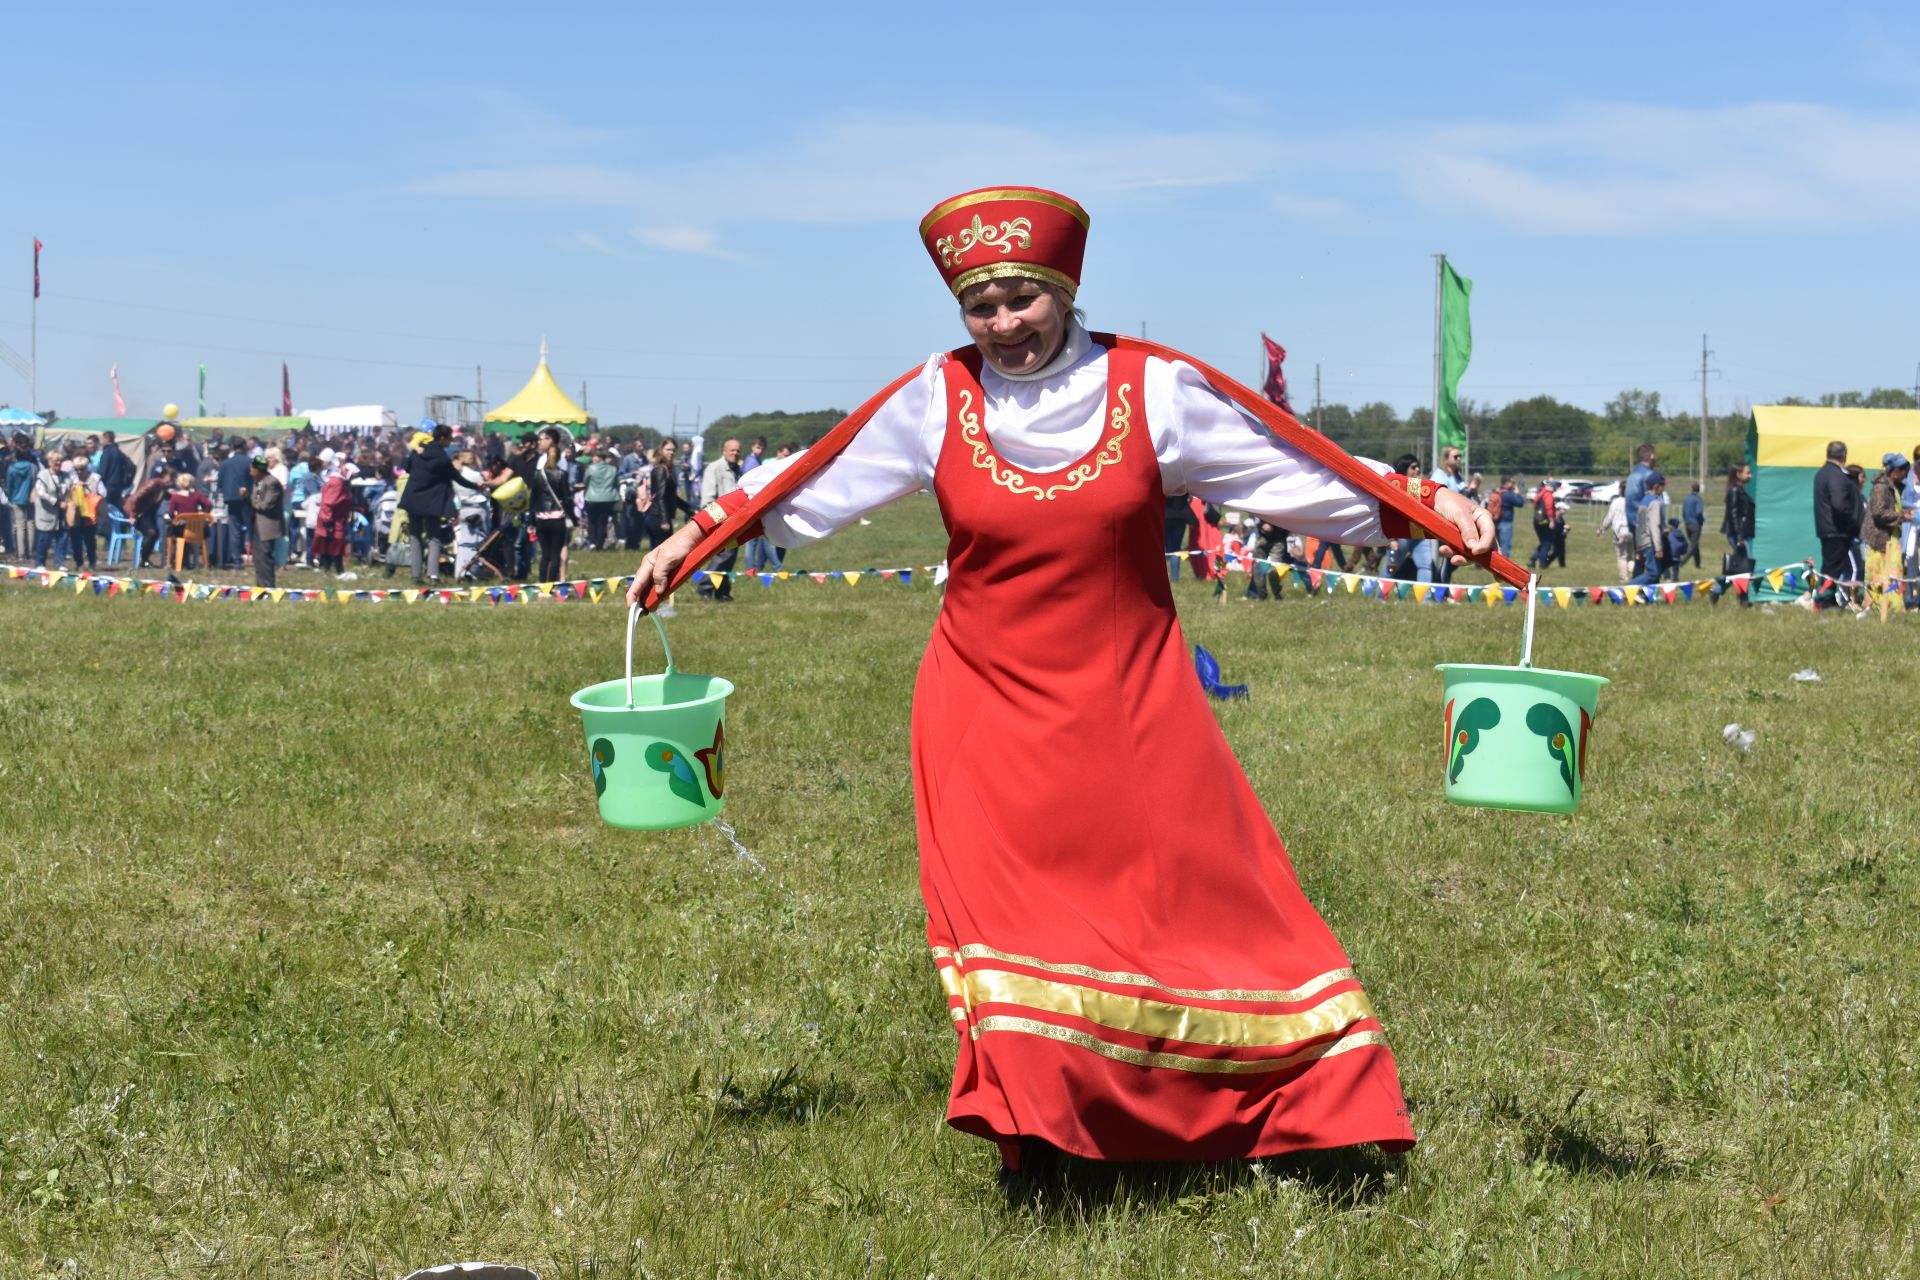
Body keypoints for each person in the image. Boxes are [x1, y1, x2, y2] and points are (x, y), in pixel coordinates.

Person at [626, 185, 1491, 1173]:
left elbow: (1284, 467)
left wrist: (1421, 504)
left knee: (1202, 903)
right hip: (981, 704)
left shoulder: (1152, 388)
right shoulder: (935, 396)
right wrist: (697, 533)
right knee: (1014, 915)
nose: (1001, 325)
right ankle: (1046, 1131)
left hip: (1133, 698)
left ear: (1064, 288)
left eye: (1020, 300)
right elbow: (818, 476)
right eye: (979, 307)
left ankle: (1296, 1107)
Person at [399, 423, 483, 586]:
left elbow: (407, 468)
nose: (450, 442)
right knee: (434, 538)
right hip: (432, 502)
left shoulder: (418, 451)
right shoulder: (442, 458)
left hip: (414, 498)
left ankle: (416, 575)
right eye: (450, 438)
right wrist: (476, 486)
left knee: (415, 537)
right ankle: (433, 575)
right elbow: (456, 478)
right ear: (442, 438)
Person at [1812, 441, 1860, 609]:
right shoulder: (1835, 475)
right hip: (1837, 528)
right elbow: (1839, 504)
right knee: (1833, 568)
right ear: (1844, 455)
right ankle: (1824, 600)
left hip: (1828, 527)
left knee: (1830, 566)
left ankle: (1827, 598)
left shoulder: (1823, 473)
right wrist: (1852, 520)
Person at [696, 438, 744, 601]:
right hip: (721, 519)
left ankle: (722, 591)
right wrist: (719, 521)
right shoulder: (714, 468)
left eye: (738, 450)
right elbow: (708, 499)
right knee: (723, 556)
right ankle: (705, 587)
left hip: (737, 520)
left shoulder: (737, 469)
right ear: (724, 451)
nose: (735, 453)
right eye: (732, 450)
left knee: (730, 556)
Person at [1864, 454, 1909, 621]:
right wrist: (1903, 517)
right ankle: (1878, 604)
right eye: (1904, 470)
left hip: (1890, 536)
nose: (1905, 474)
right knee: (1881, 574)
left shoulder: (1892, 486)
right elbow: (1878, 512)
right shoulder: (1881, 488)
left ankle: (1892, 606)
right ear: (1895, 470)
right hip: (1880, 538)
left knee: (1891, 573)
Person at [527, 428, 575, 584]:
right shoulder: (563, 474)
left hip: (541, 517)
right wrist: (573, 517)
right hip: (557, 517)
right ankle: (551, 585)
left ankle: (542, 585)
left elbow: (533, 499)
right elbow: (567, 499)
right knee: (555, 554)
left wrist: (531, 522)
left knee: (545, 555)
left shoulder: (537, 474)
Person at [1709, 463, 1755, 605]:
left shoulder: (1741, 490)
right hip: (1737, 534)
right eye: (1747, 472)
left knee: (1738, 568)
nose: (1750, 475)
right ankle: (1743, 599)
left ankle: (1717, 590)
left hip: (1741, 534)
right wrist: (1739, 537)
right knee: (1744, 568)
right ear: (1738, 474)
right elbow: (1733, 515)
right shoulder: (1735, 491)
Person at [311, 459, 355, 575]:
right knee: (334, 544)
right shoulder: (337, 483)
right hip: (333, 520)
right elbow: (328, 503)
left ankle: (328, 569)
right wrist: (328, 521)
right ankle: (337, 570)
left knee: (330, 544)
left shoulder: (337, 482)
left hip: (336, 519)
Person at [247, 456, 285, 588]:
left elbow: (266, 505)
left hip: (268, 525)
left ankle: (268, 586)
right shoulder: (258, 482)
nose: (250, 470)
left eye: (252, 468)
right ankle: (260, 585)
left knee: (265, 557)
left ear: (259, 469)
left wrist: (250, 501)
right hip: (257, 524)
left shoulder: (272, 483)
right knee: (258, 557)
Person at [216, 441, 254, 569]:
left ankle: (237, 560)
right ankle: (255, 556)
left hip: (231, 498)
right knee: (251, 528)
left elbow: (220, 482)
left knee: (235, 530)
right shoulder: (249, 461)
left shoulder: (226, 463)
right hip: (247, 498)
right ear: (244, 447)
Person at [65, 457, 107, 570]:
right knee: (75, 539)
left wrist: (92, 495)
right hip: (76, 513)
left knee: (90, 539)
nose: (79, 472)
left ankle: (92, 562)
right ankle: (79, 562)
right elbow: (65, 492)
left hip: (90, 514)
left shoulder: (95, 478)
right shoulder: (71, 478)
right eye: (76, 469)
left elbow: (103, 493)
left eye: (81, 469)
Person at [164, 472, 212, 570]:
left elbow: (170, 513)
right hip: (198, 531)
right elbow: (208, 504)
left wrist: (175, 517)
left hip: (182, 531)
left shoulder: (175, 497)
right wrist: (203, 514)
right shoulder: (197, 496)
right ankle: (205, 563)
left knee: (170, 531)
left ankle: (172, 561)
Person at [1628, 473, 1667, 587]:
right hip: (1650, 543)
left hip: (1642, 541)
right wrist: (1658, 548)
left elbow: (1638, 525)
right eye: (1662, 485)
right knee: (1654, 573)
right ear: (1656, 486)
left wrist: (1638, 548)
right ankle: (1627, 588)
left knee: (1656, 572)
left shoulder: (1643, 501)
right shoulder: (1655, 502)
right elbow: (1654, 526)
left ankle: (1649, 597)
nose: (1663, 488)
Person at [582, 447, 621, 550]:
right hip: (608, 498)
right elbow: (616, 483)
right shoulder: (613, 469)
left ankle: (592, 542)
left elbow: (585, 481)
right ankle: (600, 543)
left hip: (592, 497)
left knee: (592, 521)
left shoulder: (591, 468)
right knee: (602, 522)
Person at [1599, 480, 1632, 582]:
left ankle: (1624, 577)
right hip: (1632, 531)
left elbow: (1609, 518)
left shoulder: (1616, 502)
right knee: (1631, 555)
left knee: (1622, 556)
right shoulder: (1633, 502)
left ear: (1620, 490)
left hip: (1620, 531)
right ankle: (1633, 569)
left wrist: (1602, 528)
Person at [96, 430, 133, 512]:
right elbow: (131, 467)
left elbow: (103, 470)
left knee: (107, 509)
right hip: (118, 485)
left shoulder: (107, 452)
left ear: (107, 439)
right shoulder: (119, 452)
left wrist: (100, 482)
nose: (102, 441)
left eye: (103, 439)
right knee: (115, 508)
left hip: (108, 485)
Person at [1528, 477, 1558, 570]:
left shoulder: (1540, 493)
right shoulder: (1548, 495)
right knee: (1547, 543)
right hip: (1545, 521)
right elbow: (1549, 508)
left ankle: (1532, 560)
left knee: (1543, 542)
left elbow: (1534, 505)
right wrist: (1552, 521)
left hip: (1537, 521)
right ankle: (1543, 563)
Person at [1682, 483, 1705, 569]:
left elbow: (1683, 511)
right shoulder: (1698, 499)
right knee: (1694, 545)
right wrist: (1701, 519)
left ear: (1691, 489)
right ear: (1698, 490)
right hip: (1696, 524)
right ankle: (1682, 561)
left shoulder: (1686, 498)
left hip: (1687, 523)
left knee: (1695, 544)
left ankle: (1697, 564)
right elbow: (1699, 512)